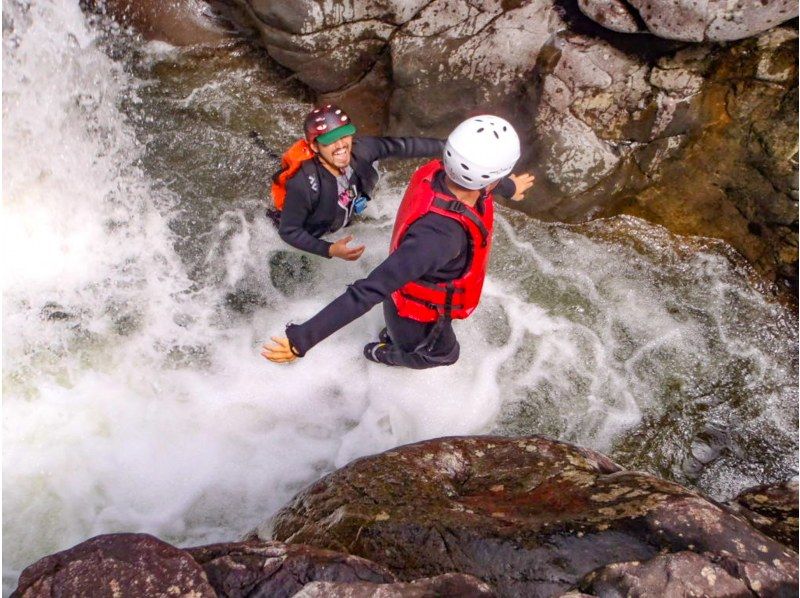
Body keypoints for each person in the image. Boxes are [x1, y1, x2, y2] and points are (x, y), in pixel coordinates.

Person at [262, 115, 534, 368]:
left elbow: (479, 178)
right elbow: (367, 291)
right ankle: (380, 353)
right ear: (490, 178)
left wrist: (509, 188)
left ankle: (391, 339)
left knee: (408, 333)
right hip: (414, 315)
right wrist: (302, 339)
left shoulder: (440, 172)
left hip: (409, 284)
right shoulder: (440, 238)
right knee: (444, 355)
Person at [269, 104, 445, 261]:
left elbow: (402, 146)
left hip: (339, 215)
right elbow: (289, 232)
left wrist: (449, 149)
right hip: (304, 231)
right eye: (330, 140)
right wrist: (329, 249)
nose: (341, 145)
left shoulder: (363, 150)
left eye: (344, 135)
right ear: (315, 147)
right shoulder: (304, 185)